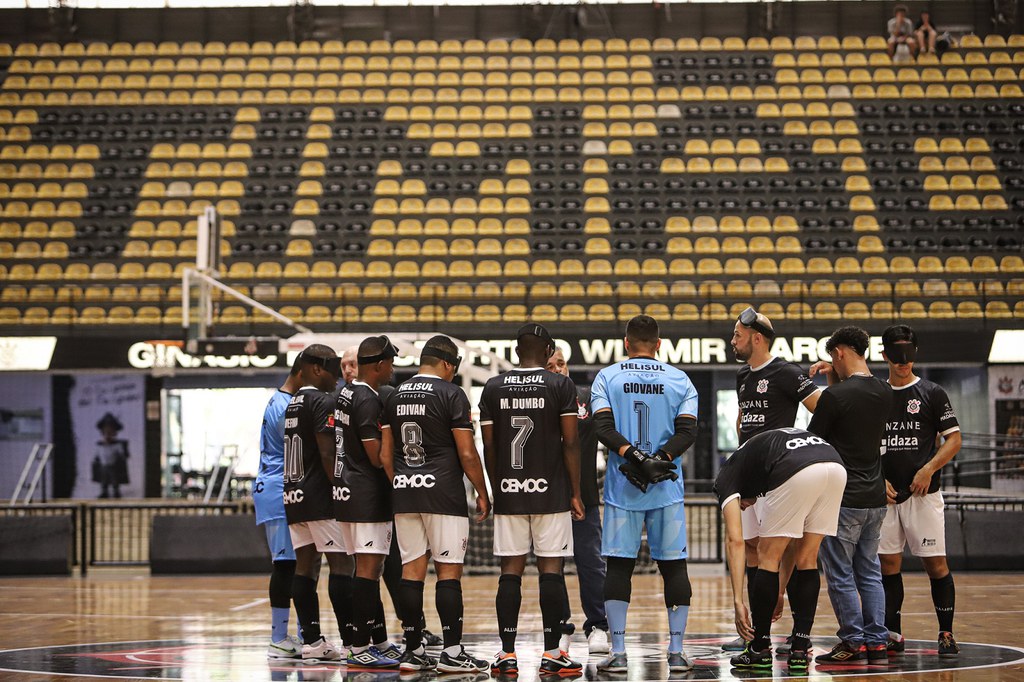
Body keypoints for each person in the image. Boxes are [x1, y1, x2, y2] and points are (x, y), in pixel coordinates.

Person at [591, 315, 699, 673]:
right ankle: (677, 652)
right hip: (666, 485)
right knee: (673, 566)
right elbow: (688, 431)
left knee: (620, 565)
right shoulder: (680, 379)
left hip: (623, 486)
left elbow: (603, 427)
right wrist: (660, 459)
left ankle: (619, 653)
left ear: (625, 342)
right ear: (659, 343)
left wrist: (635, 459)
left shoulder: (608, 376)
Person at [380, 335, 491, 673]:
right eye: (454, 369)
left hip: (404, 491)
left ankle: (413, 651)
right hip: (443, 493)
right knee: (448, 572)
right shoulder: (451, 394)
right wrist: (482, 491)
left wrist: (402, 482)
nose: (454, 375)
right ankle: (453, 653)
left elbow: (386, 455)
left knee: (411, 572)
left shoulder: (394, 396)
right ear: (446, 364)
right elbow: (467, 452)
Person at [479, 323, 585, 677]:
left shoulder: (493, 388)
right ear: (547, 351)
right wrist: (575, 492)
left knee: (510, 572)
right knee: (551, 571)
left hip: (510, 493)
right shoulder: (560, 384)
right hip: (550, 493)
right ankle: (553, 652)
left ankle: (507, 653)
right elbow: (570, 443)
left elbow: (490, 446)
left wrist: (497, 489)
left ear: (515, 352)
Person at [726, 307, 822, 653]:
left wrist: (809, 448)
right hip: (751, 475)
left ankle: (801, 637)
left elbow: (821, 409)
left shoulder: (786, 372)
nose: (733, 340)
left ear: (757, 338)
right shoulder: (741, 376)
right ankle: (756, 631)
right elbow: (742, 421)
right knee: (752, 548)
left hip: (782, 474)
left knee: (788, 551)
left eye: (737, 335)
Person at [717, 428, 847, 672]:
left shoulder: (725, 478)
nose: (743, 508)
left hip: (799, 467)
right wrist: (778, 592)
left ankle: (760, 649)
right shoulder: (760, 465)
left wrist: (737, 601)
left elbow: (735, 541)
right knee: (807, 557)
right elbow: (789, 547)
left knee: (767, 555)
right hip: (835, 465)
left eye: (741, 504)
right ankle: (799, 649)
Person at [807, 327, 894, 666]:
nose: (832, 363)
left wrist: (831, 388)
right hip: (874, 497)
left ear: (840, 352)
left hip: (843, 498)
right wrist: (835, 383)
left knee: (841, 573)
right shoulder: (885, 392)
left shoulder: (835, 397)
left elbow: (818, 439)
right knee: (870, 571)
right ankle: (876, 640)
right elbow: (850, 422)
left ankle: (851, 641)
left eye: (832, 358)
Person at [878, 325, 962, 657]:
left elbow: (954, 440)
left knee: (935, 564)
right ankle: (893, 632)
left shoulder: (932, 393)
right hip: (885, 498)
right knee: (888, 565)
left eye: (908, 353)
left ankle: (946, 632)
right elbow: (863, 443)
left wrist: (929, 468)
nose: (903, 361)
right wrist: (874, 477)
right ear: (884, 356)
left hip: (923, 497)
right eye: (896, 354)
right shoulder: (876, 395)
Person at [334, 335, 403, 669]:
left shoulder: (347, 392)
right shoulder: (366, 399)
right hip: (366, 495)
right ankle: (360, 646)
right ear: (379, 365)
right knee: (368, 571)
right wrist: (391, 430)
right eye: (390, 362)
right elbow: (377, 457)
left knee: (366, 571)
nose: (393, 368)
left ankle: (377, 640)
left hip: (347, 492)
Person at [282, 344, 351, 664]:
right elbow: (326, 452)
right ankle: (352, 641)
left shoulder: (293, 403)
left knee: (306, 567)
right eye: (334, 369)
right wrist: (340, 486)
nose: (338, 376)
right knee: (343, 565)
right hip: (320, 497)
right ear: (316, 369)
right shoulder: (322, 401)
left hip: (294, 495)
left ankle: (311, 641)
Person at [546, 348, 611, 655]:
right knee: (553, 568)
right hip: (546, 500)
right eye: (550, 365)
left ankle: (598, 625)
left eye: (561, 363)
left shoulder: (586, 396)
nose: (557, 369)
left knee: (591, 564)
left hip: (585, 498)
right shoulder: (535, 400)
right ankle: (560, 628)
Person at [254, 358, 304, 659]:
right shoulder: (284, 405)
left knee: (296, 565)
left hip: (281, 489)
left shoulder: (283, 400)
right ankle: (278, 638)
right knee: (286, 565)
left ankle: (300, 634)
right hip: (278, 490)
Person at [93, 413, 130, 499]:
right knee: (104, 479)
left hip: (113, 465)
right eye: (106, 431)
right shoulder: (99, 445)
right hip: (103, 465)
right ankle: (104, 492)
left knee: (114, 479)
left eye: (110, 431)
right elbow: (97, 454)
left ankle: (116, 491)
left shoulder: (117, 445)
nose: (108, 433)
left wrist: (122, 457)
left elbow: (121, 454)